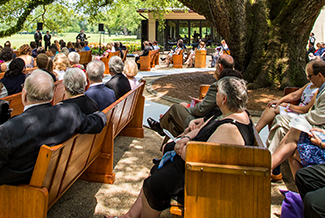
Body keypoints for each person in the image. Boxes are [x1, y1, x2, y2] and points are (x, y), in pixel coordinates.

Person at [0, 69, 107, 211]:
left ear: (24, 94)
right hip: (48, 180)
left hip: (4, 195)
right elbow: (96, 122)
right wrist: (103, 114)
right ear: (52, 95)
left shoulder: (8, 131)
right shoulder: (69, 113)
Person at [108, 77, 254, 218]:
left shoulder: (229, 128)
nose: (215, 95)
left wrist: (182, 148)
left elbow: (199, 157)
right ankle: (130, 216)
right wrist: (186, 138)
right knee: (156, 171)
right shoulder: (232, 114)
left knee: (153, 184)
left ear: (224, 99)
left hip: (203, 180)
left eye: (218, 93)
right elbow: (203, 129)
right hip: (201, 172)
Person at [147, 55, 234, 138]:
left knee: (175, 109)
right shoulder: (235, 84)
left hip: (204, 122)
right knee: (173, 124)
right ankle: (164, 129)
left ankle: (162, 127)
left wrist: (188, 107)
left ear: (219, 67)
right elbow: (212, 105)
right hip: (212, 120)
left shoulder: (218, 86)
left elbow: (201, 110)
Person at [269, 61, 325, 181]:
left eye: (310, 76)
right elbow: (295, 95)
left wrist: (320, 142)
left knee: (292, 135)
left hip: (319, 136)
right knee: (282, 129)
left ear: (320, 75)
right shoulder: (320, 88)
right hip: (316, 130)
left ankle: (268, 167)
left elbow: (318, 115)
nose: (309, 79)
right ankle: (270, 166)